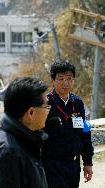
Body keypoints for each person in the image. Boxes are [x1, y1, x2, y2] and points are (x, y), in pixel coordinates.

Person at [0, 77, 49, 188]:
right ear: (31, 113)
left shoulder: (24, 140)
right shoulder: (8, 152)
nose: (48, 112)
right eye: (46, 107)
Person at [42, 60, 94, 188]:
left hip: (73, 165)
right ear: (52, 81)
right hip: (52, 165)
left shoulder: (77, 103)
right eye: (60, 78)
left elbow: (84, 135)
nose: (65, 82)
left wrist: (88, 162)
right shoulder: (45, 104)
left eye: (69, 78)